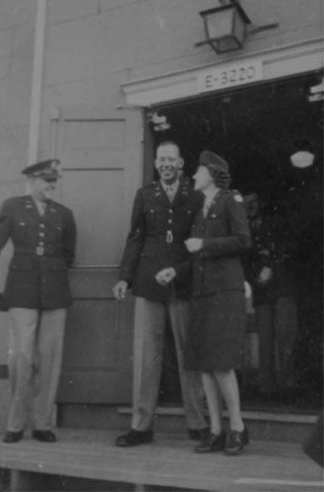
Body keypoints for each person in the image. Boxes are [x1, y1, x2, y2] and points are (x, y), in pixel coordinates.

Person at [0, 160, 77, 443]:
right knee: (21, 357)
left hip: (54, 291)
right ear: (30, 181)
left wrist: (50, 269)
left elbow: (69, 255)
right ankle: (15, 423)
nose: (51, 185)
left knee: (50, 358)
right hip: (23, 290)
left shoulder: (64, 215)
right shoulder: (13, 207)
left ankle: (42, 424)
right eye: (45, 181)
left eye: (54, 181)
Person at [113, 141, 208, 447]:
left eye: (172, 159)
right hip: (147, 283)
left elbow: (198, 243)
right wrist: (124, 278)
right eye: (162, 159)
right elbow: (135, 238)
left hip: (181, 282)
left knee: (188, 355)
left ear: (181, 164)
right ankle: (141, 427)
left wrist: (183, 271)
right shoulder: (145, 195)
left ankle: (197, 423)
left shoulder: (194, 197)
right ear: (156, 164)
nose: (166, 164)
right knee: (147, 356)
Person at [156, 150, 251, 455]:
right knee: (205, 366)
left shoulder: (230, 200)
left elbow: (242, 240)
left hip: (224, 293)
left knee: (221, 364)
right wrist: (176, 270)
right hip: (201, 292)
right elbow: (196, 255)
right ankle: (215, 430)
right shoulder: (201, 209)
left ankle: (237, 427)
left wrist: (204, 244)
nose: (193, 176)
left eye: (197, 172)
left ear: (211, 174)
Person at [243, 193, 298, 397]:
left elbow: (288, 248)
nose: (251, 206)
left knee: (285, 335)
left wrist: (271, 267)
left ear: (262, 203)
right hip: (260, 289)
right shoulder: (242, 229)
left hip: (282, 286)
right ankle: (265, 387)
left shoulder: (276, 223)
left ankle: (287, 385)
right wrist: (253, 276)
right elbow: (242, 260)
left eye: (254, 202)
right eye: (247, 203)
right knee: (265, 338)